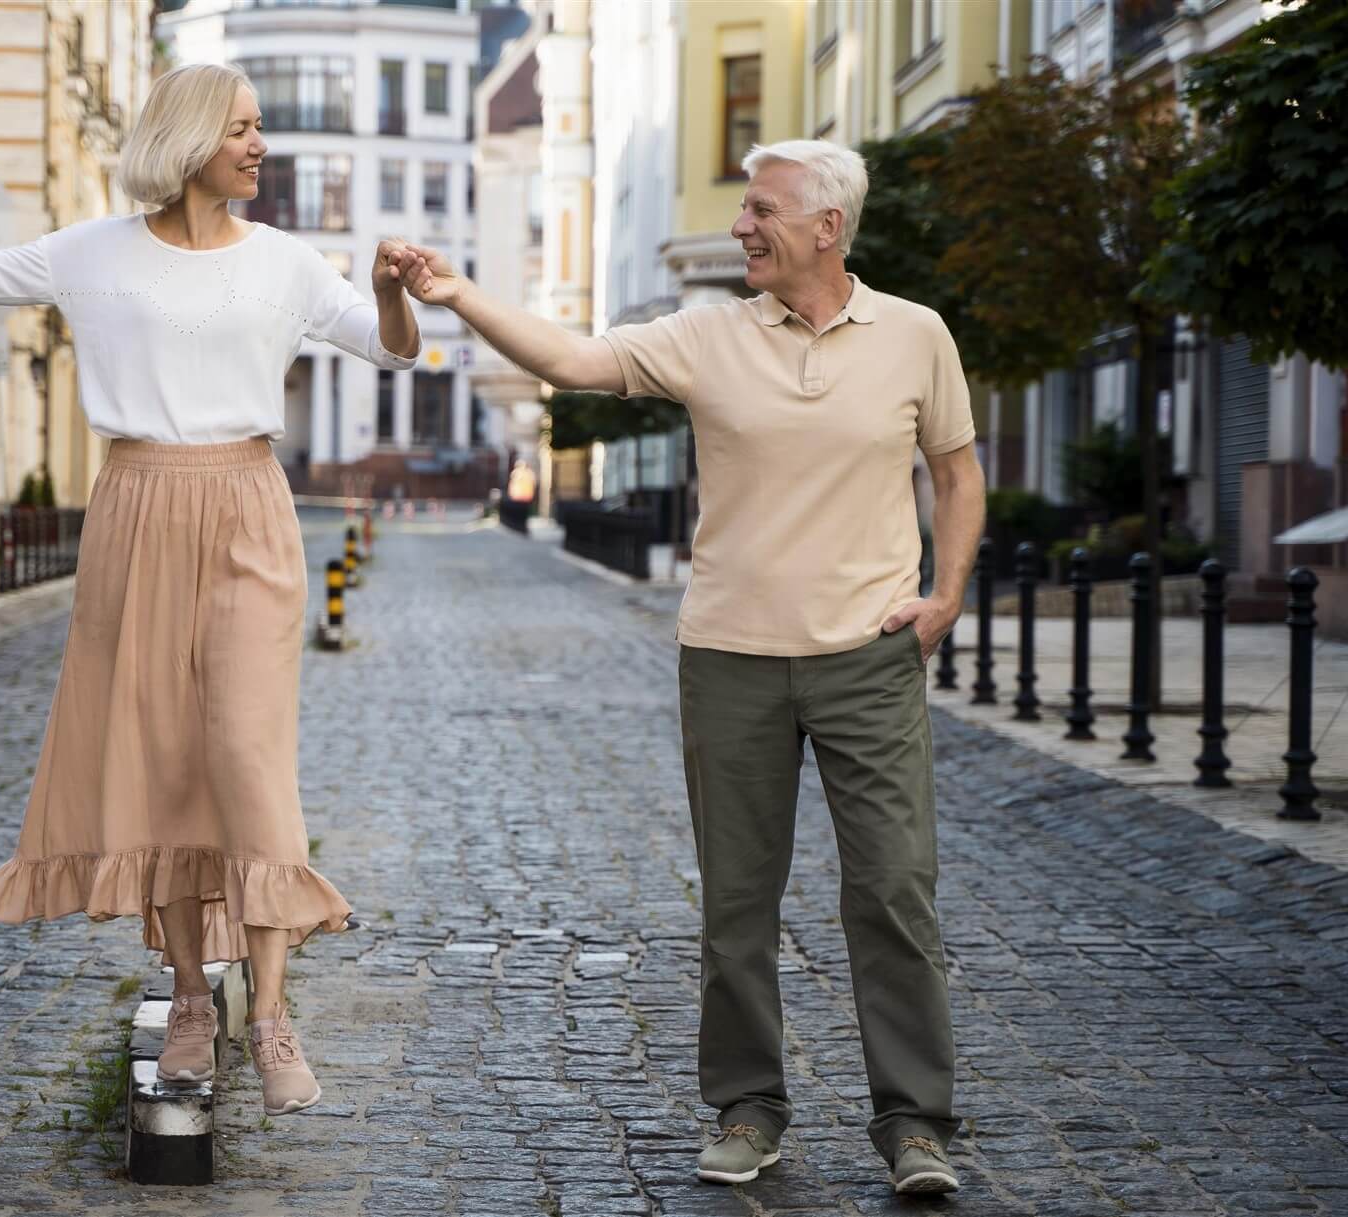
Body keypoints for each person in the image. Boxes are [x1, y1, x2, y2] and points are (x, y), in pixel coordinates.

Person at [0, 63, 422, 1117]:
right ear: (188, 140)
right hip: (135, 505)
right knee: (157, 766)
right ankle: (192, 996)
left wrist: (383, 291)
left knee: (244, 758)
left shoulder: (283, 262)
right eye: (241, 127)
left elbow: (393, 348)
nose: (258, 145)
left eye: (258, 126)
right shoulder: (90, 253)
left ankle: (271, 1014)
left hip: (245, 504)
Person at [392, 140, 984, 1195]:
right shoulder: (707, 336)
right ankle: (747, 1106)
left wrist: (943, 595)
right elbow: (573, 360)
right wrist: (459, 294)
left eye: (760, 210)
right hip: (730, 656)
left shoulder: (914, 335)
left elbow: (954, 468)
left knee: (894, 889)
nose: (741, 226)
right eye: (743, 207)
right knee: (737, 903)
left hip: (867, 658)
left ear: (825, 226)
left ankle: (913, 1123)